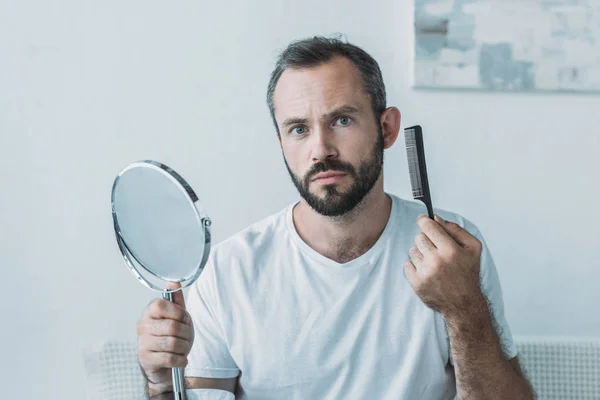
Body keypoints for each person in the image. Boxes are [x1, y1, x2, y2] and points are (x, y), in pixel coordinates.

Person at [136, 36, 535, 400]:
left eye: (341, 120)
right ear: (281, 143)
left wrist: (465, 310)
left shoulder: (453, 252)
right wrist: (158, 382)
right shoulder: (230, 271)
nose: (320, 149)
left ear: (387, 127)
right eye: (298, 129)